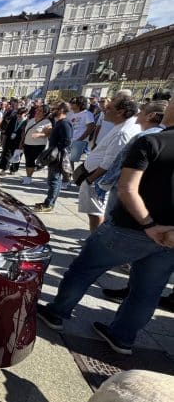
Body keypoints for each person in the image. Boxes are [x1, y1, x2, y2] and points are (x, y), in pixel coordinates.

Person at [37, 100, 174, 355]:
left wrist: (150, 225)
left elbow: (127, 188)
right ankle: (122, 337)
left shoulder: (151, 141)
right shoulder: (150, 139)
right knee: (147, 291)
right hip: (168, 236)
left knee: (83, 269)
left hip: (130, 227)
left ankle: (57, 312)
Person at [78, 96, 140, 233]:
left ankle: (96, 242)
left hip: (97, 179)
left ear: (121, 112)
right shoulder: (121, 126)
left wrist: (90, 180)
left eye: (109, 108)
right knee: (94, 212)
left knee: (96, 213)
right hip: (95, 176)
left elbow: (109, 163)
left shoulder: (123, 132)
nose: (104, 110)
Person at [34, 101, 73, 213]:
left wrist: (55, 150)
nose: (52, 110)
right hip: (55, 153)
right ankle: (49, 201)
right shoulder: (59, 122)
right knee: (53, 180)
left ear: (61, 110)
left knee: (54, 180)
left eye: (54, 108)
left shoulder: (65, 123)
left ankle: (49, 204)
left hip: (58, 155)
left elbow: (67, 141)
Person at [20, 103, 52, 185]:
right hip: (27, 144)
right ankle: (28, 177)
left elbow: (48, 134)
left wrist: (40, 135)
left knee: (33, 161)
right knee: (28, 161)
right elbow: (25, 132)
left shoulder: (47, 122)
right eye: (37, 109)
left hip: (38, 145)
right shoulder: (31, 120)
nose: (37, 111)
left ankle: (29, 177)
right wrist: (22, 142)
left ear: (45, 113)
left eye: (40, 111)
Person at [0, 107, 28, 174]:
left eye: (21, 114)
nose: (19, 115)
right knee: (6, 154)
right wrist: (3, 140)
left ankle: (13, 169)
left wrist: (23, 144)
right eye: (18, 114)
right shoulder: (14, 119)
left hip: (19, 141)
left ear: (25, 114)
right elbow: (7, 129)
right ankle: (3, 168)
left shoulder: (27, 122)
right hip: (10, 139)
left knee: (17, 155)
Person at [68, 96, 96, 166]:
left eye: (73, 102)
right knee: (66, 160)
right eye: (70, 102)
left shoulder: (87, 113)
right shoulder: (71, 113)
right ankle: (67, 176)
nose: (71, 104)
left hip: (79, 141)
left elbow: (91, 127)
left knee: (71, 160)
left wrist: (80, 139)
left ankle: (69, 176)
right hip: (69, 140)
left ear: (80, 104)